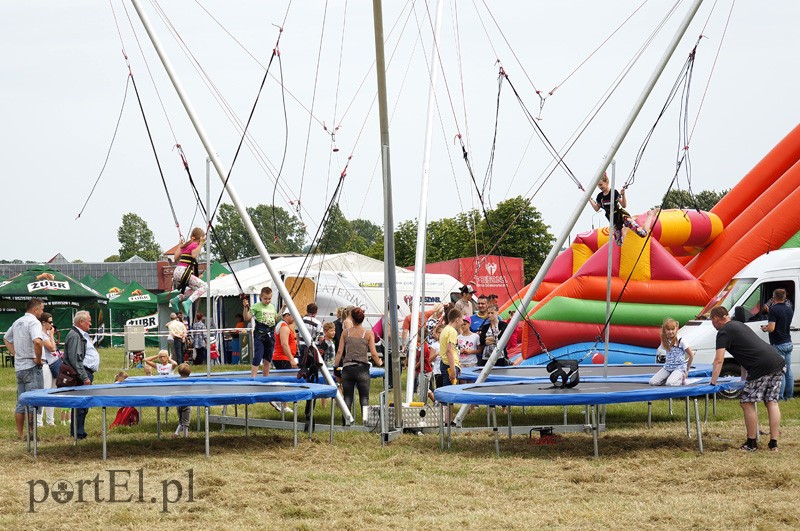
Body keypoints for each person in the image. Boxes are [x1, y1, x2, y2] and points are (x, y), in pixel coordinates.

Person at [710, 306, 785, 452]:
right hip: (776, 360)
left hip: (761, 366)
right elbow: (745, 355)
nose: (712, 324)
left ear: (716, 318)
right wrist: (743, 379)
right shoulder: (739, 325)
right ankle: (773, 444)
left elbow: (719, 360)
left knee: (746, 403)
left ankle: (751, 443)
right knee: (771, 402)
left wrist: (712, 383)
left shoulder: (723, 332)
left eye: (711, 321)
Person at [4, 298, 44, 439]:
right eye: (42, 309)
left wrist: (16, 354)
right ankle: (32, 434)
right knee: (34, 400)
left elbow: (6, 338)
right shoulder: (34, 322)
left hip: (20, 366)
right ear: (35, 309)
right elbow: (37, 342)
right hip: (31, 366)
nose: (42, 312)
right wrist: (38, 359)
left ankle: (20, 435)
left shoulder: (18, 322)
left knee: (21, 402)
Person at [334, 307, 383, 424]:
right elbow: (374, 354)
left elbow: (340, 352)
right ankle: (366, 421)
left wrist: (336, 366)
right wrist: (380, 363)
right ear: (362, 319)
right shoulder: (368, 334)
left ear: (352, 318)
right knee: (364, 397)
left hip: (348, 368)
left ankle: (346, 421)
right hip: (362, 368)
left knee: (347, 397)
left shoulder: (346, 333)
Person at [64, 310, 100, 440]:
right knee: (80, 404)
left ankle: (79, 431)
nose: (90, 324)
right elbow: (75, 359)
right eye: (89, 321)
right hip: (81, 374)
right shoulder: (75, 335)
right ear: (81, 321)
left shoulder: (81, 334)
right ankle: (77, 433)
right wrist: (84, 377)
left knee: (83, 405)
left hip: (85, 372)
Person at [588, 173, 648, 246]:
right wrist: (589, 199)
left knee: (642, 234)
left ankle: (634, 220)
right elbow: (596, 208)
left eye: (601, 185)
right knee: (619, 243)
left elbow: (624, 205)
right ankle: (625, 228)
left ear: (606, 182)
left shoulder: (614, 192)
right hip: (613, 220)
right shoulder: (599, 197)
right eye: (598, 185)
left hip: (621, 215)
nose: (599, 187)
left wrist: (623, 195)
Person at [761, 289, 793, 400]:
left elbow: (772, 328)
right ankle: (790, 396)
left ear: (774, 297)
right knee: (788, 371)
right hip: (788, 342)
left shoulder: (773, 310)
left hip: (778, 343)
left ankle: (780, 396)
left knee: (780, 371)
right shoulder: (789, 309)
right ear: (784, 297)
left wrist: (765, 329)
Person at [170, 227, 208, 316]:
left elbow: (175, 258)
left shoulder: (186, 245)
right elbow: (194, 255)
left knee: (195, 289)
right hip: (183, 272)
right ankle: (188, 302)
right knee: (204, 286)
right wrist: (201, 244)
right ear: (199, 239)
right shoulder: (194, 244)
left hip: (177, 272)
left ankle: (176, 300)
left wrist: (180, 245)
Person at [243, 287, 277, 377]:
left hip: (270, 334)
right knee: (258, 355)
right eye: (265, 298)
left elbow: (276, 319)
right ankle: (253, 377)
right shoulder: (256, 306)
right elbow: (246, 318)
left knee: (268, 357)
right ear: (261, 297)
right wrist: (245, 307)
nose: (267, 301)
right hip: (260, 334)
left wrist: (282, 309)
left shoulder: (272, 307)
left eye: (269, 298)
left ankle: (266, 377)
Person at [649, 318, 694, 386]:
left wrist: (686, 370)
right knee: (652, 382)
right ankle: (670, 377)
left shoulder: (680, 341)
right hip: (668, 367)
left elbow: (691, 355)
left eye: (672, 329)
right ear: (665, 330)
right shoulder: (665, 341)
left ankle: (681, 380)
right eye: (668, 330)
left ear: (676, 329)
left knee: (670, 383)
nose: (670, 332)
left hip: (679, 368)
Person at [37, 312, 59, 427]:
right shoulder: (41, 334)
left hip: (54, 365)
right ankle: (39, 421)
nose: (52, 324)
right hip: (46, 366)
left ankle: (50, 420)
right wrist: (51, 335)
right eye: (50, 322)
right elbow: (51, 348)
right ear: (43, 323)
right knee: (44, 392)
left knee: (53, 393)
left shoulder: (47, 333)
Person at [174, 363, 193, 438]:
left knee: (181, 420)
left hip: (178, 403)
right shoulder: (189, 382)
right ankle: (185, 435)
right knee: (185, 421)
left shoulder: (177, 381)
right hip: (186, 403)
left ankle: (176, 433)